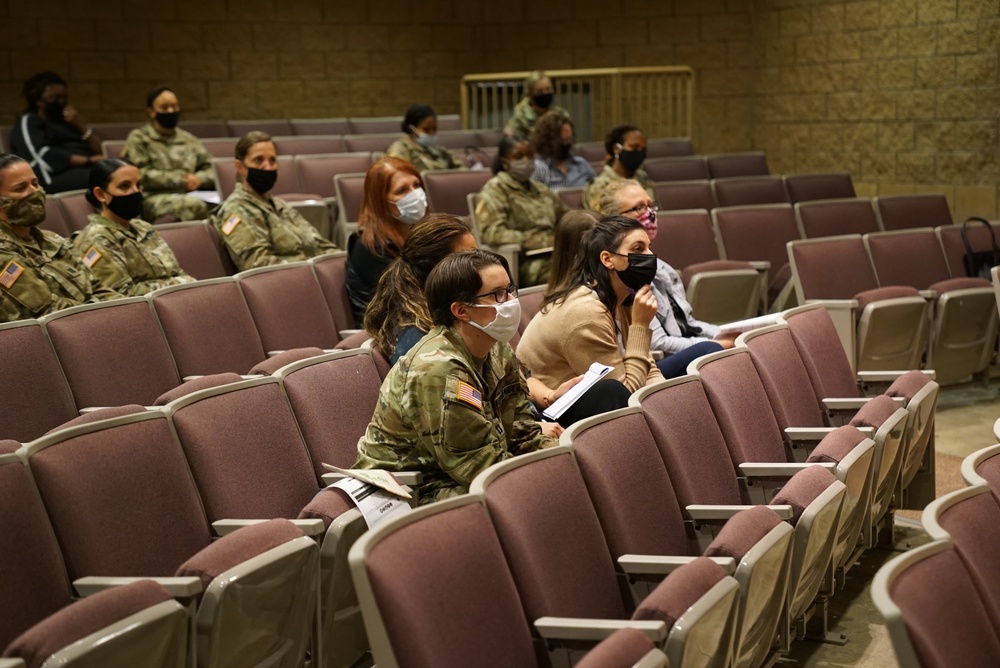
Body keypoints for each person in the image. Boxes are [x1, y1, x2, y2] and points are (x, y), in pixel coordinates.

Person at [354, 249, 556, 504]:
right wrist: (549, 480)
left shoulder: (496, 348)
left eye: (510, 289)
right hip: (406, 493)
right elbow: (479, 469)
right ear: (461, 310)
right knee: (534, 498)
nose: (510, 301)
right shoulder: (438, 370)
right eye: (497, 294)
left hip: (460, 477)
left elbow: (524, 435)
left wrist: (567, 465)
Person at [599, 179, 732, 378]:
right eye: (638, 208)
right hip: (651, 364)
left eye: (650, 205)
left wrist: (722, 333)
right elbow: (657, 343)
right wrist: (714, 344)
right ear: (615, 219)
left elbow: (687, 323)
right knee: (711, 352)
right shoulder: (626, 273)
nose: (649, 214)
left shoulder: (662, 267)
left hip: (684, 349)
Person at [517, 215, 662, 393]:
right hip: (559, 412)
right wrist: (640, 326)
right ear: (608, 259)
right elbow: (623, 397)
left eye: (649, 248)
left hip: (611, 399)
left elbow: (650, 371)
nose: (650, 256)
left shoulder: (625, 297)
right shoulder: (586, 314)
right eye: (638, 249)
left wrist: (664, 401)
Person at [0, 154, 121, 322]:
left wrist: (127, 310)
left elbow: (97, 287)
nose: (35, 192)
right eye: (20, 188)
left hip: (97, 322)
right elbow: (49, 312)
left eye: (35, 184)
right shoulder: (3, 256)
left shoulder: (52, 240)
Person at [212, 131, 338, 272]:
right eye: (258, 160)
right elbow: (258, 266)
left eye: (272, 160)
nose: (268, 167)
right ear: (240, 166)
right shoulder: (234, 211)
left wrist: (340, 261)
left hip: (315, 275)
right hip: (288, 284)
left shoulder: (279, 205)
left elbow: (320, 244)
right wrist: (313, 269)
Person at [71, 159, 195, 296]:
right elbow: (121, 295)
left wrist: (185, 284)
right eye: (124, 186)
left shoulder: (143, 227)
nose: (135, 192)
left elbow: (176, 272)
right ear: (100, 194)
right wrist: (182, 283)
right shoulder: (95, 239)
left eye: (138, 185)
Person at [365, 214, 478, 364]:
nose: (478, 265)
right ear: (435, 266)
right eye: (466, 259)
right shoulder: (416, 337)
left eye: (476, 255)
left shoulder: (446, 308)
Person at [475, 136, 567, 287]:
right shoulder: (495, 190)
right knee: (566, 277)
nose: (527, 161)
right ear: (505, 162)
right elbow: (493, 232)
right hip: (524, 261)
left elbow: (566, 219)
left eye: (530, 155)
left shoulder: (541, 189)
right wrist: (536, 240)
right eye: (518, 156)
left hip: (556, 253)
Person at [346, 156, 425, 323]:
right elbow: (407, 302)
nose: (415, 195)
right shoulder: (369, 247)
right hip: (390, 333)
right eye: (402, 190)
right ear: (381, 201)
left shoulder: (421, 235)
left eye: (416, 185)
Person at [122, 86, 217, 222]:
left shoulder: (188, 139)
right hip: (153, 198)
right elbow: (139, 174)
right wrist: (181, 180)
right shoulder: (140, 139)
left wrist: (198, 179)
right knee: (194, 205)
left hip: (191, 193)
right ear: (151, 112)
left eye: (174, 106)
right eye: (164, 107)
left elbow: (212, 168)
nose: (170, 111)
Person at [10, 71, 102, 194]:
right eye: (53, 97)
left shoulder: (67, 121)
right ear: (38, 100)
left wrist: (80, 125)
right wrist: (90, 160)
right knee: (109, 176)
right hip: (52, 176)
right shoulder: (29, 121)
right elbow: (43, 155)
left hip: (84, 169)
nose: (60, 101)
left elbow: (101, 151)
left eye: (63, 97)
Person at [583, 124, 656, 211]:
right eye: (634, 147)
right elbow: (604, 219)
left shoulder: (643, 177)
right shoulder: (600, 186)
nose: (639, 152)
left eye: (643, 149)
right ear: (616, 148)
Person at [386, 104, 463, 173]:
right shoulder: (400, 148)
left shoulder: (438, 149)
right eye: (426, 129)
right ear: (412, 129)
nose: (431, 132)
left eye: (434, 128)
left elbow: (461, 168)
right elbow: (397, 175)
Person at [529, 111, 595, 189]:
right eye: (563, 141)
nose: (566, 144)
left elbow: (597, 190)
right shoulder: (539, 169)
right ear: (547, 141)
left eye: (569, 139)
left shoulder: (580, 164)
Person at [504, 71, 570, 139]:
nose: (545, 93)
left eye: (548, 89)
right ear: (530, 94)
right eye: (539, 91)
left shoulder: (559, 114)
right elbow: (508, 130)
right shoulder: (522, 115)